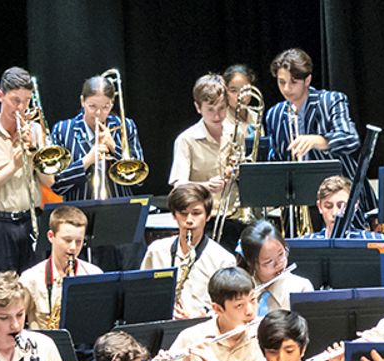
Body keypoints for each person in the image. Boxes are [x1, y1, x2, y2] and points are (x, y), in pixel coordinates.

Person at [0, 67, 57, 276]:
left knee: (37, 284)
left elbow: (50, 181)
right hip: (0, 225)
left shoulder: (36, 131)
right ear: (0, 95)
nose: (21, 108)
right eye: (15, 100)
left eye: (26, 101)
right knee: (3, 288)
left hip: (33, 220)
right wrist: (14, 166)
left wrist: (34, 151)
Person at [262, 48, 364, 182]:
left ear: (307, 80)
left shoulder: (330, 101)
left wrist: (319, 140)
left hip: (340, 188)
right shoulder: (274, 114)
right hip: (299, 189)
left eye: (293, 82)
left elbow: (350, 138)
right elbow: (275, 160)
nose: (286, 88)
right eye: (281, 82)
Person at [142, 184, 237, 320]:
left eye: (196, 213)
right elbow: (143, 296)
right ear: (174, 215)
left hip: (203, 328)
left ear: (208, 216)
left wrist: (204, 316)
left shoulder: (223, 259)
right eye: (183, 213)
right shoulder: (156, 250)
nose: (189, 220)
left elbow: (229, 308)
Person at [50, 73, 145, 205]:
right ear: (82, 101)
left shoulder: (126, 126)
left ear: (112, 104)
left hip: (120, 207)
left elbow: (139, 179)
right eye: (92, 106)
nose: (98, 113)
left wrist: (114, 148)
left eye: (105, 107)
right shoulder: (62, 130)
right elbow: (57, 185)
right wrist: (87, 160)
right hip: (78, 211)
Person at [168, 73, 242, 221]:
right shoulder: (186, 140)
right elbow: (179, 186)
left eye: (222, 108)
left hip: (235, 214)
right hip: (203, 217)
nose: (217, 116)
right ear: (198, 107)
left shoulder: (236, 133)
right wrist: (206, 186)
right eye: (210, 110)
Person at [21, 203, 100, 331]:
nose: (73, 248)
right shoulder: (30, 278)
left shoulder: (94, 274)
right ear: (51, 236)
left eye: (79, 241)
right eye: (67, 240)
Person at [234, 219, 309, 315]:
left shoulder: (301, 288)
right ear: (251, 263)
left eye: (281, 254)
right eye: (269, 261)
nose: (278, 264)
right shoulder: (239, 292)